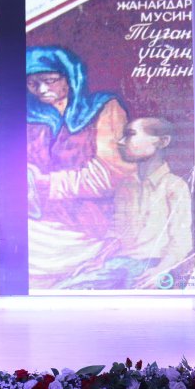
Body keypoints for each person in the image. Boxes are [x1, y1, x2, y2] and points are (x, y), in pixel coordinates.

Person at [25, 46, 135, 289]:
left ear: (70, 77)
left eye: (50, 81)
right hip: (36, 221)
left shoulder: (104, 109)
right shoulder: (29, 115)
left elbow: (110, 175)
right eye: (33, 84)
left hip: (85, 227)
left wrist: (45, 184)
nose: (41, 89)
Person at [113, 117, 194, 289]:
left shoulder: (174, 186)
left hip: (152, 266)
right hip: (118, 264)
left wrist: (160, 270)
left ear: (162, 141)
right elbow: (115, 233)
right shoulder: (125, 186)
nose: (121, 142)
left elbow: (182, 242)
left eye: (131, 134)